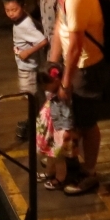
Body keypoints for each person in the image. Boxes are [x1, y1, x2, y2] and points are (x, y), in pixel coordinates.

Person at [44, 0, 104, 196]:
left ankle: (89, 173)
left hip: (86, 68)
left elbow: (77, 46)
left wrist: (66, 82)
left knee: (87, 123)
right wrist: (52, 67)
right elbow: (59, 26)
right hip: (71, 65)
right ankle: (71, 167)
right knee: (69, 120)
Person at [2, 0, 48, 141]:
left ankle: (39, 125)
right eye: (7, 10)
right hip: (26, 67)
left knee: (31, 96)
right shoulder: (22, 19)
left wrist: (28, 53)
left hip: (27, 68)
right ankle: (38, 121)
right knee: (33, 96)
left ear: (23, 6)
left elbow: (42, 40)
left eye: (14, 9)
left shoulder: (25, 25)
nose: (10, 13)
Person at [34, 62, 76, 191]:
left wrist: (67, 130)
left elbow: (67, 113)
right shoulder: (53, 91)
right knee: (50, 154)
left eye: (47, 85)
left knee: (58, 157)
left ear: (56, 79)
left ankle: (60, 178)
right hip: (51, 129)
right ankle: (49, 172)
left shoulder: (64, 95)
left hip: (59, 130)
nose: (46, 88)